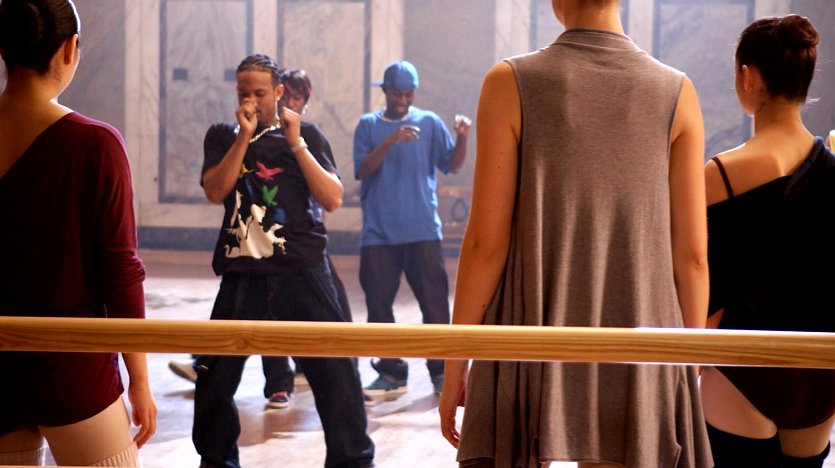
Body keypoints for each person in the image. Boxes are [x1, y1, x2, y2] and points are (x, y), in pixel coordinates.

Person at [439, 0, 712, 467]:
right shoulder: (676, 92)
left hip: (531, 324)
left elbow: (485, 246)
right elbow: (692, 257)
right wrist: (689, 362)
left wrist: (454, 365)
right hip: (642, 330)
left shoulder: (509, 83)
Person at [191, 54, 374, 468]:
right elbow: (216, 190)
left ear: (278, 92)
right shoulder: (222, 136)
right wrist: (243, 137)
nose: (251, 101)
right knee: (213, 375)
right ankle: (216, 462)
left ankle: (353, 462)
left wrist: (296, 144)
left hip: (302, 269)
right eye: (243, 93)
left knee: (337, 374)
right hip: (244, 272)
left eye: (260, 93)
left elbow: (332, 199)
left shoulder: (306, 133)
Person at [0, 0, 157, 466]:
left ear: (4, 51)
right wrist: (139, 380)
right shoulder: (94, 143)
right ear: (70, 49)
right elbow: (120, 271)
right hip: (73, 365)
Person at [700, 14, 835, 468]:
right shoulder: (832, 170)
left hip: (742, 364)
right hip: (820, 373)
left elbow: (705, 279)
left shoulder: (720, 174)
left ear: (747, 76)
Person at [353, 60, 471, 404]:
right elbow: (362, 170)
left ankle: (441, 373)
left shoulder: (429, 122)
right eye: (396, 94)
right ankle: (391, 373)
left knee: (435, 306)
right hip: (379, 233)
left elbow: (452, 165)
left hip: (422, 230)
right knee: (378, 307)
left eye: (408, 94)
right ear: (385, 91)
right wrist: (390, 141)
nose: (403, 100)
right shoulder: (368, 125)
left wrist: (463, 137)